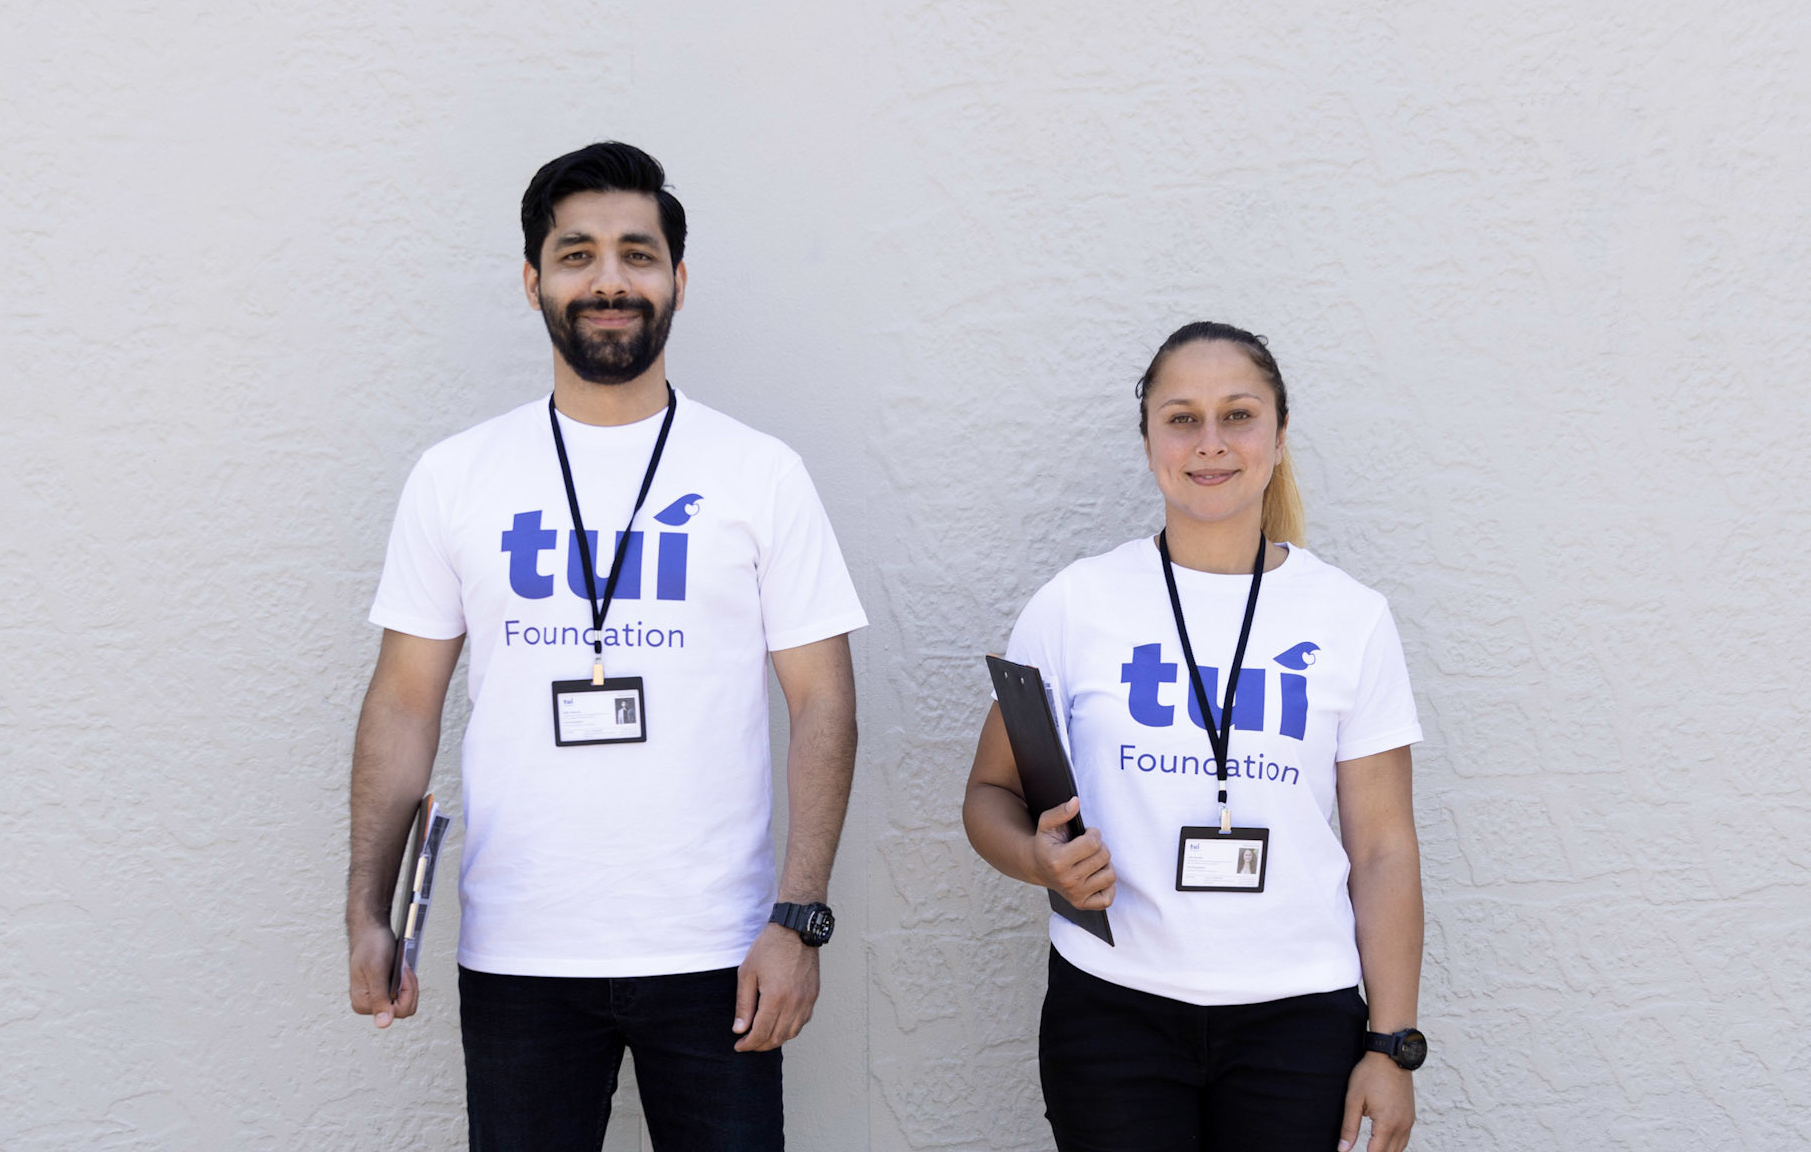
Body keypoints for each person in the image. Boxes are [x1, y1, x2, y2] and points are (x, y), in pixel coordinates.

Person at [346, 141, 865, 1152]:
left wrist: (798, 919)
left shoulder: (758, 473)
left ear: (678, 280)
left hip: (719, 951)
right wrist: (368, 908)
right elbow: (404, 702)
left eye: (637, 253)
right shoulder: (456, 477)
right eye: (577, 254)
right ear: (532, 280)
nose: (609, 280)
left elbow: (823, 703)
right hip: (519, 952)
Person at [961, 322, 1428, 1152]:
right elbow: (989, 793)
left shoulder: (1351, 618)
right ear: (1149, 442)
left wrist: (1391, 1046)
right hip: (1112, 1011)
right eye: (1182, 419)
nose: (1210, 442)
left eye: (1237, 415)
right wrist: (1036, 859)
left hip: (1299, 1019)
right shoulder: (1076, 605)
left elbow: (1385, 849)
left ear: (1279, 436)